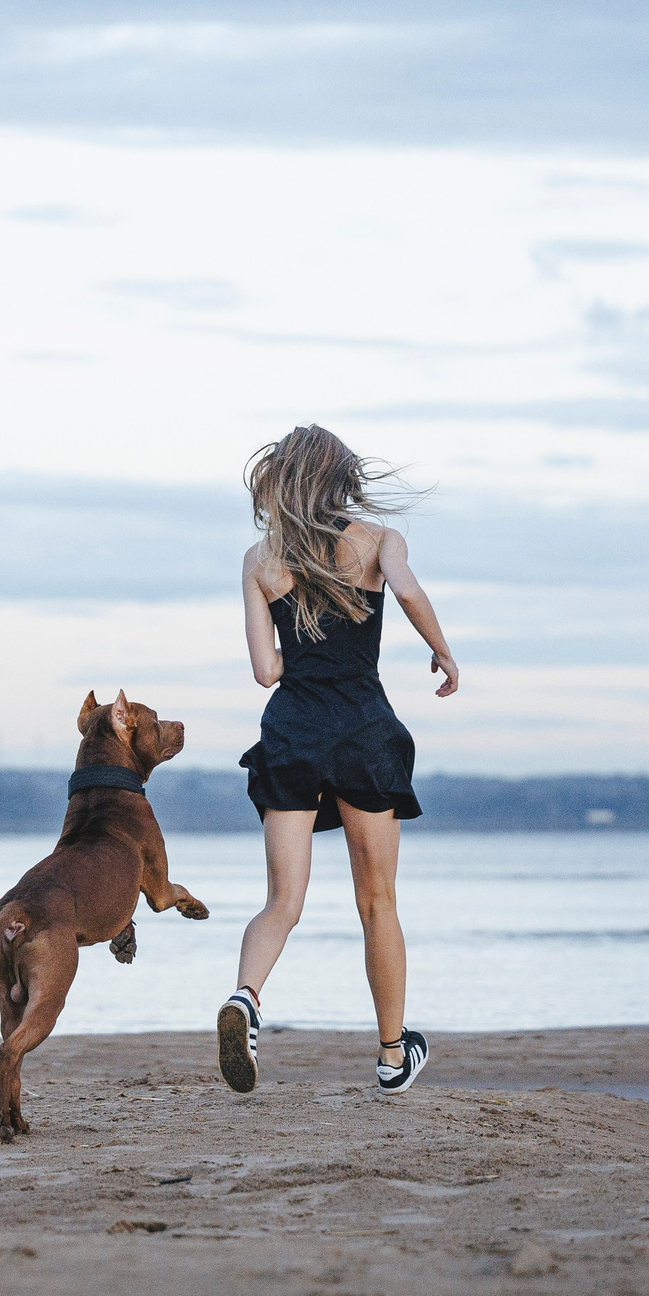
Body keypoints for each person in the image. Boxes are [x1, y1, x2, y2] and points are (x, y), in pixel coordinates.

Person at [218, 425, 458, 1097]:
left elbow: (266, 669)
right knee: (376, 901)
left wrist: (305, 658)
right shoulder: (379, 541)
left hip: (292, 729)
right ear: (341, 475)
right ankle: (391, 1053)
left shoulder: (260, 558)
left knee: (282, 901)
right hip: (361, 729)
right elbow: (406, 590)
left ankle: (245, 998)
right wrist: (441, 649)